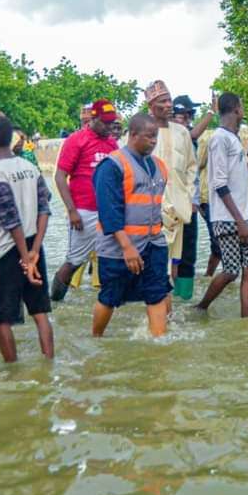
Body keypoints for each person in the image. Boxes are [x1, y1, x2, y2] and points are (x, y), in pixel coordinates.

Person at [0, 113, 55, 362]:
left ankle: (12, 370)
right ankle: (49, 363)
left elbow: (9, 219)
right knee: (40, 312)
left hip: (5, 252)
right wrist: (35, 251)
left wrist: (25, 258)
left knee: (2, 318)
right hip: (34, 246)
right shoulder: (30, 168)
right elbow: (45, 209)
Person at [91, 113, 170, 337]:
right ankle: (96, 338)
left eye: (155, 137)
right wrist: (127, 247)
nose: (154, 141)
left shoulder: (159, 166)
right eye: (149, 137)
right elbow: (109, 212)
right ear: (133, 135)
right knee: (110, 297)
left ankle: (159, 344)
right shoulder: (112, 165)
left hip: (153, 243)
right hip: (119, 248)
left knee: (157, 293)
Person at [50, 99, 121, 303]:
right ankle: (54, 302)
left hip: (107, 213)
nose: (110, 127)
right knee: (74, 261)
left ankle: (109, 303)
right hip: (83, 212)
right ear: (93, 118)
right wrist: (72, 211)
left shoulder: (111, 143)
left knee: (113, 260)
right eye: (106, 123)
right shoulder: (76, 140)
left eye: (112, 123)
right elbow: (60, 176)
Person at [197, 93, 248, 317]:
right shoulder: (220, 139)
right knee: (232, 271)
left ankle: (246, 320)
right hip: (229, 219)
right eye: (242, 106)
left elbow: (242, 175)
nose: (244, 111)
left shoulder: (231, 138)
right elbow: (219, 184)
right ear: (236, 109)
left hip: (245, 216)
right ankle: (201, 307)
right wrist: (240, 221)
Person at [144, 80, 197, 304]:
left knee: (182, 257)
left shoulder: (182, 132)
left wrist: (190, 196)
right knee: (156, 260)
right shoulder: (142, 132)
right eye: (163, 101)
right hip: (152, 208)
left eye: (169, 100)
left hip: (180, 206)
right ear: (151, 106)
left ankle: (180, 305)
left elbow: (191, 167)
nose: (168, 105)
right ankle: (156, 308)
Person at [170, 94, 215, 300]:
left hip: (189, 204)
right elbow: (193, 135)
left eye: (190, 114)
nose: (189, 118)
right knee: (169, 255)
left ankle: (182, 298)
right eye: (185, 114)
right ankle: (168, 299)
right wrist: (211, 112)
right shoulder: (166, 135)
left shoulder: (185, 136)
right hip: (168, 205)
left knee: (187, 254)